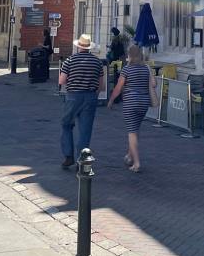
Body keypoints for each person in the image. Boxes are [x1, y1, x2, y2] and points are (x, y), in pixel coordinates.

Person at [58, 34, 105, 169]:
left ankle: (68, 156)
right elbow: (101, 86)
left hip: (73, 96)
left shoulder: (70, 60)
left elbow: (62, 81)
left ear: (78, 46)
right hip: (90, 97)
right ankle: (81, 158)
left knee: (66, 125)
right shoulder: (97, 62)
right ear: (89, 47)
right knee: (85, 130)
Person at [107, 44, 155, 173]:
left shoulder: (127, 70)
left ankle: (137, 163)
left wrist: (111, 100)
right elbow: (154, 84)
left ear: (130, 55)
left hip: (130, 102)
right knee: (136, 129)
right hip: (144, 102)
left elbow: (118, 88)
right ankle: (129, 156)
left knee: (132, 132)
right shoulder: (146, 68)